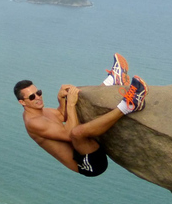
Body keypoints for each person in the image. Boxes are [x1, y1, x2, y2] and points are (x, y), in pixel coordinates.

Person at [14, 54, 148, 177]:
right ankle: (128, 105)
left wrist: (61, 99)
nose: (38, 97)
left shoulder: (43, 111)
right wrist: (70, 104)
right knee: (76, 131)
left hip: (87, 148)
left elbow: (62, 116)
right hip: (88, 164)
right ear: (22, 102)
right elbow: (69, 134)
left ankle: (112, 80)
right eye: (32, 97)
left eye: (38, 92)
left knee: (73, 95)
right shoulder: (33, 123)